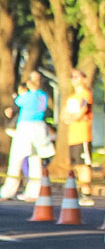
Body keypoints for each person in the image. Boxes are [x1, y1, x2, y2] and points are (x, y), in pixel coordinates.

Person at [1, 72, 53, 201]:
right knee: (35, 160)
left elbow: (17, 103)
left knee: (16, 159)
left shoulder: (26, 96)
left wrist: (21, 93)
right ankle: (34, 192)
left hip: (25, 126)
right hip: (39, 127)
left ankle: (7, 191)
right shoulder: (43, 96)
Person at [64, 68, 94, 204]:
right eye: (72, 77)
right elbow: (64, 115)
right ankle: (80, 190)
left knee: (84, 165)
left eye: (77, 77)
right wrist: (70, 118)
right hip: (73, 135)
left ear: (84, 79)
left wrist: (74, 117)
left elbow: (82, 112)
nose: (74, 80)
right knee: (76, 165)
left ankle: (86, 194)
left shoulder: (86, 95)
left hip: (83, 134)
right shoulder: (71, 97)